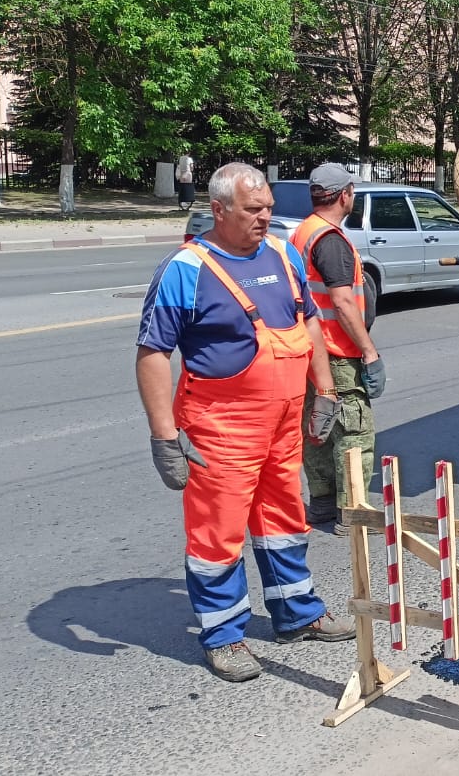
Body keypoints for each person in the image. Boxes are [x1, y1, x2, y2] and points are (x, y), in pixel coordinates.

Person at [136, 162, 356, 683]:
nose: (265, 218)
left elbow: (309, 321)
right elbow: (152, 353)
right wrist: (164, 435)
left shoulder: (282, 254)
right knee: (219, 533)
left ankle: (296, 613)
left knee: (283, 519)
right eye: (252, 210)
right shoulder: (186, 270)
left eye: (269, 208)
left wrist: (323, 391)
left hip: (281, 422)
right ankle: (224, 635)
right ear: (219, 209)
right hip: (221, 426)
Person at [291, 163, 386, 533]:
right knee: (353, 430)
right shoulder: (330, 240)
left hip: (311, 350)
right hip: (337, 351)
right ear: (345, 194)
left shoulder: (304, 232)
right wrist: (369, 350)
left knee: (318, 425)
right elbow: (343, 303)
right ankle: (354, 513)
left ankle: (323, 504)